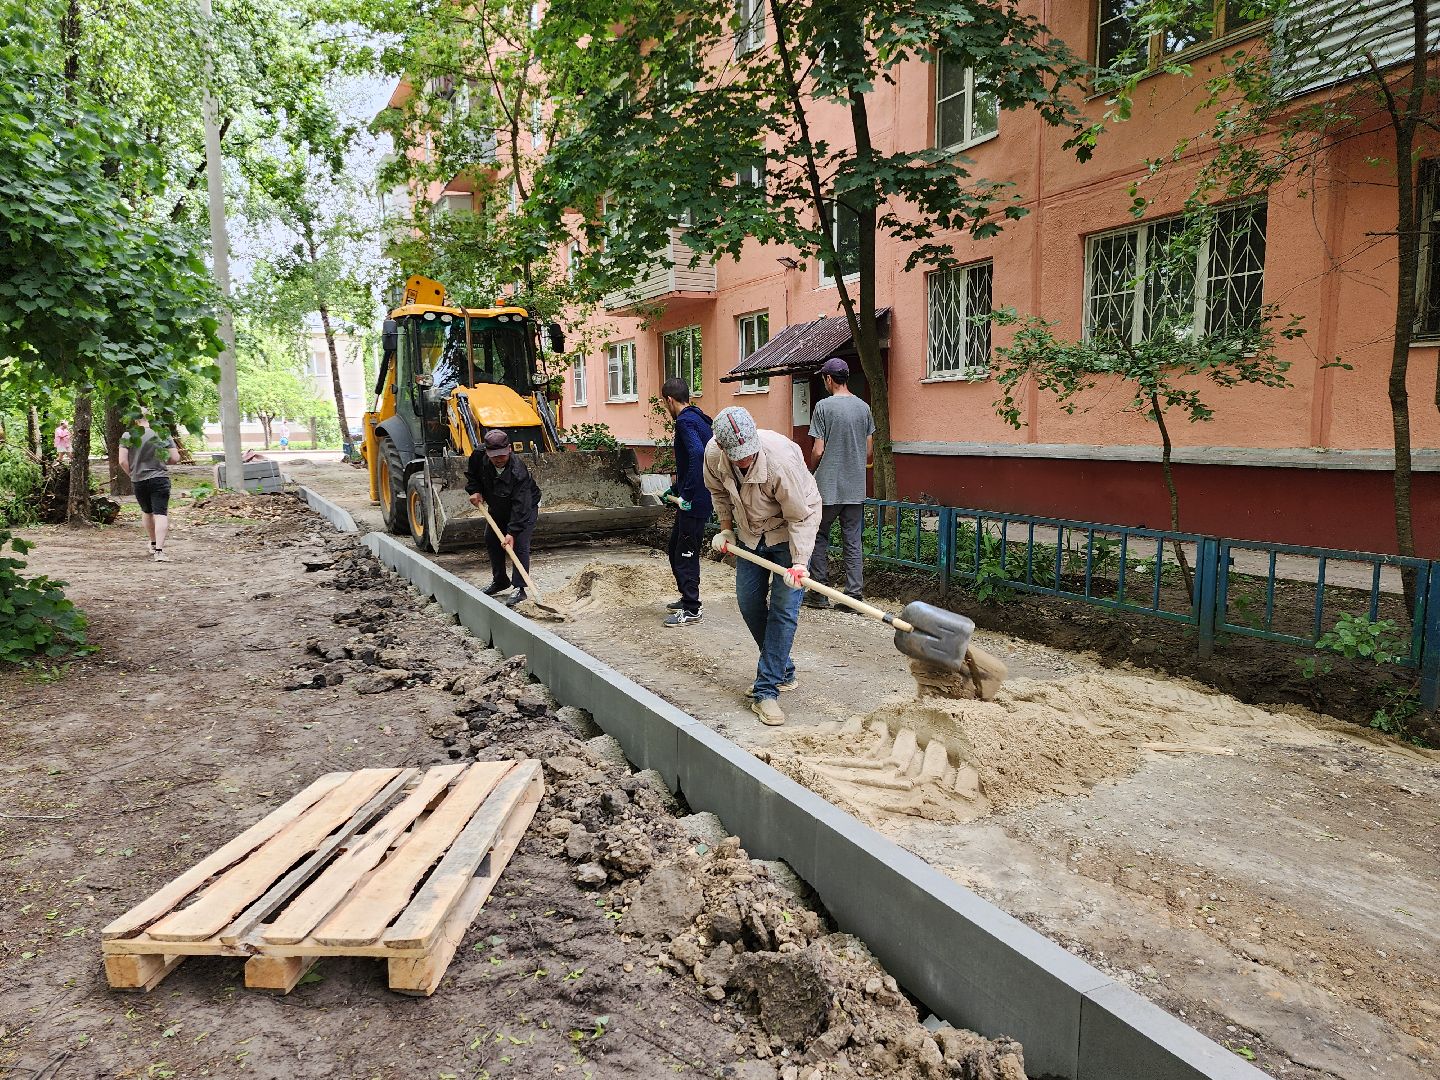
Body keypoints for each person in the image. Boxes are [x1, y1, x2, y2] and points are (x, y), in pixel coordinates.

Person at [703, 405, 821, 727]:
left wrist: (799, 563)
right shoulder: (713, 455)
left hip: (788, 531)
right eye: (738, 456)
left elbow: (801, 516)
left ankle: (766, 690)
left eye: (749, 454)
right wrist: (726, 528)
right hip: (749, 533)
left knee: (784, 610)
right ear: (722, 447)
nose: (745, 460)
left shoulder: (780, 461)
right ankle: (783, 669)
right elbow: (718, 493)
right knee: (749, 601)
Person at [804, 357, 874, 610]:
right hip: (855, 488)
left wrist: (811, 471)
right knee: (853, 541)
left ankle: (819, 593)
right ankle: (854, 596)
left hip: (827, 487)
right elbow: (868, 451)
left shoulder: (823, 407)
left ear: (829, 379)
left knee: (818, 537)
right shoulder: (864, 408)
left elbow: (818, 450)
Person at [658, 377, 713, 627]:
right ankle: (686, 597)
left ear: (670, 400)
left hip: (695, 501)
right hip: (696, 497)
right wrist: (675, 489)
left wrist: (687, 495)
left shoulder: (684, 421)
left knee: (685, 553)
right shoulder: (699, 418)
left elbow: (698, 454)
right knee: (675, 549)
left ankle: (692, 609)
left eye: (665, 403)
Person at [466, 428, 540, 607]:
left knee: (519, 544)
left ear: (510, 450)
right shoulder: (478, 455)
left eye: (502, 455)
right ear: (487, 452)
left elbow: (521, 505)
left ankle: (520, 588)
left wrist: (512, 532)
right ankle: (500, 581)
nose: (499, 459)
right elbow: (473, 475)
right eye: (494, 456)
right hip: (498, 504)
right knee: (491, 538)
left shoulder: (518, 471)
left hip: (524, 508)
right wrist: (475, 490)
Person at [119, 414, 181, 562]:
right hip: (159, 478)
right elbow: (175, 458)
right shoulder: (162, 433)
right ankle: (159, 551)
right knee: (160, 513)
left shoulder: (128, 435)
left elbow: (122, 461)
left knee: (147, 512)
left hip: (138, 479)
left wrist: (132, 474)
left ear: (135, 420)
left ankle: (152, 543)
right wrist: (162, 461)